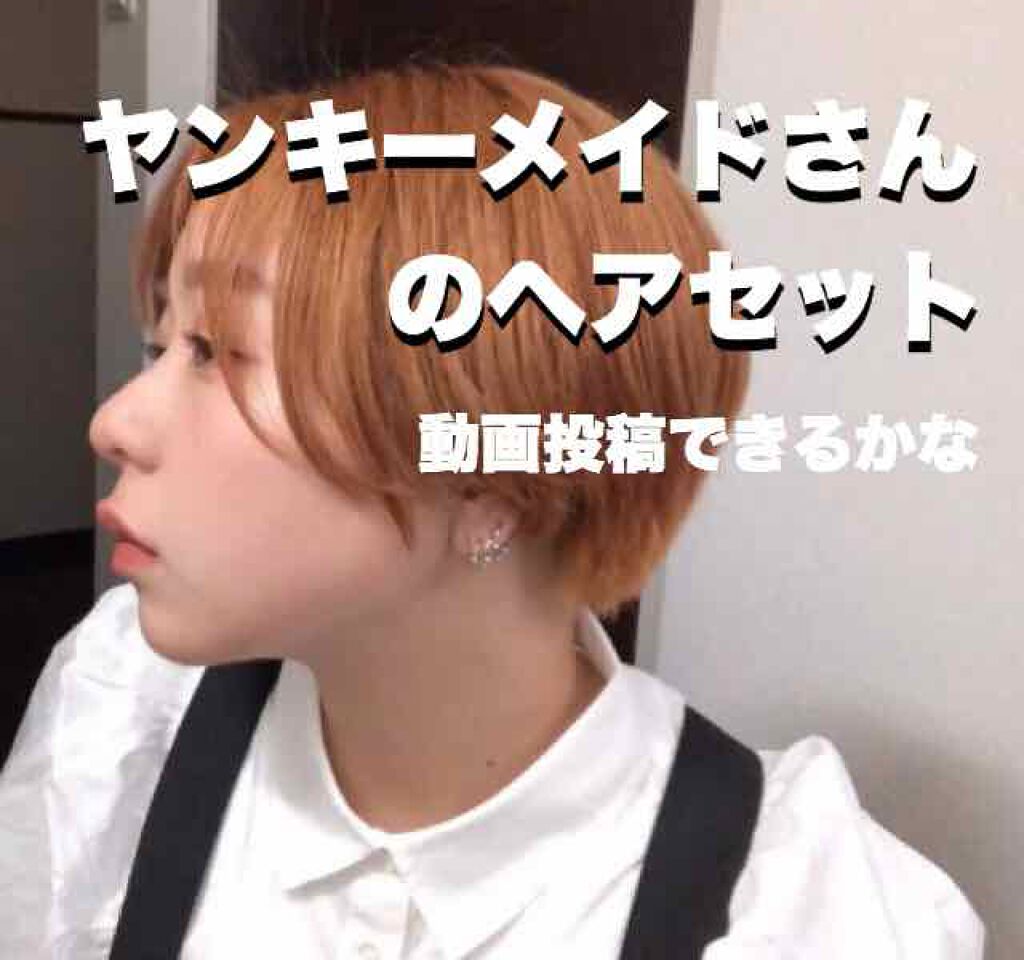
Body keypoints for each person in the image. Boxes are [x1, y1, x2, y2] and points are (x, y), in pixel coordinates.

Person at [0, 62, 984, 958]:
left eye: (216, 352)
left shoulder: (809, 910)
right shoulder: (125, 717)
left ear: (487, 474)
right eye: (160, 344)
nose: (114, 423)